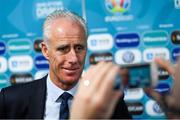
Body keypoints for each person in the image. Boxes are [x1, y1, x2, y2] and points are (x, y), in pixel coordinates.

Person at [0, 9, 131, 119]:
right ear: (46, 51)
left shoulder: (109, 100)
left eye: (79, 48)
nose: (73, 58)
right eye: (63, 49)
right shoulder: (11, 100)